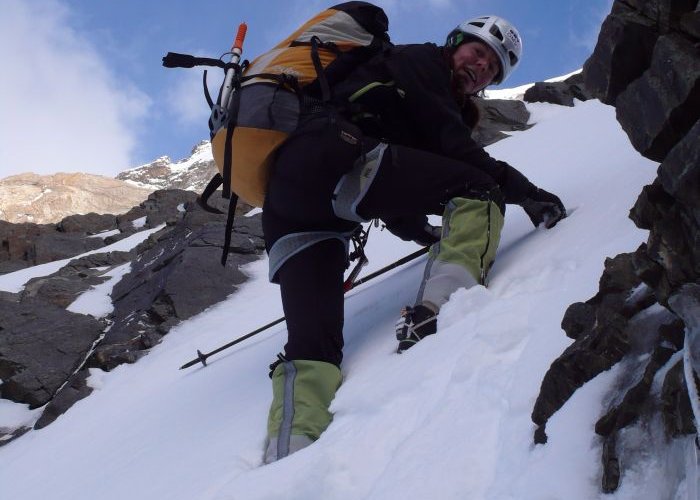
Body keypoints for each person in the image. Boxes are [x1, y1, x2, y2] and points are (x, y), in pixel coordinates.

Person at [261, 14, 566, 463]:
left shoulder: (397, 77)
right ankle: (439, 310)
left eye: (492, 68)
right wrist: (530, 195)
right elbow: (458, 153)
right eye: (477, 52)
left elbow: (394, 183)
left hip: (294, 207)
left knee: (313, 348)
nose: (481, 67)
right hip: (337, 164)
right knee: (480, 189)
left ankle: (285, 455)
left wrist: (424, 232)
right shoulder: (422, 63)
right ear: (455, 43)